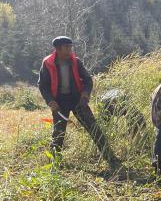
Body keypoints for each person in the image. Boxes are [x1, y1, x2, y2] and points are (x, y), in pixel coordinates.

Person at [38, 36, 119, 166]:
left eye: (70, 47)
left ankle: (110, 158)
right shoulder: (47, 63)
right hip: (59, 103)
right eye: (66, 47)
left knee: (94, 128)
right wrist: (50, 101)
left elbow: (88, 80)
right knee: (58, 133)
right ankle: (54, 163)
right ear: (58, 49)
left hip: (77, 100)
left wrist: (85, 95)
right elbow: (43, 85)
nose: (70, 50)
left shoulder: (76, 62)